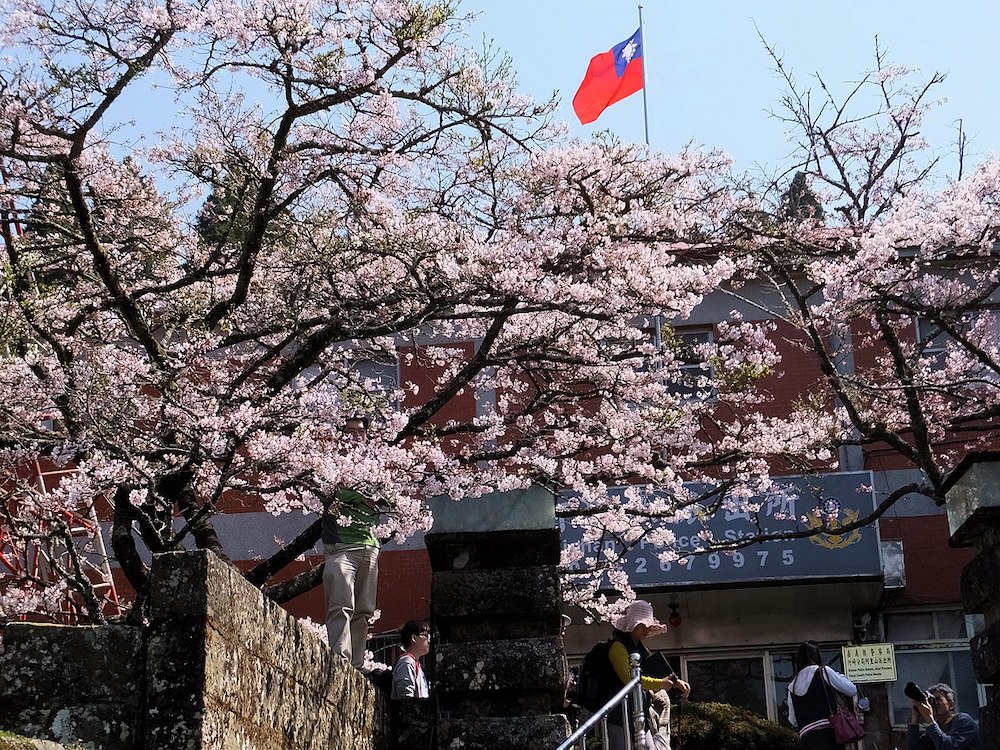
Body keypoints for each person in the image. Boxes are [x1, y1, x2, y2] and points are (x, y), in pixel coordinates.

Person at [321, 416, 381, 670]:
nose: (354, 436)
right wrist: (359, 496)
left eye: (359, 431)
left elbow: (382, 499)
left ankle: (357, 664)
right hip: (341, 546)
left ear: (367, 434)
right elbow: (330, 493)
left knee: (364, 610)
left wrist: (362, 498)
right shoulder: (331, 463)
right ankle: (341, 660)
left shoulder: (377, 464)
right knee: (341, 604)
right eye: (348, 431)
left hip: (369, 544)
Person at [604, 600, 691, 750]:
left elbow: (656, 671)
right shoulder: (617, 646)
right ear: (630, 623)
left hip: (640, 713)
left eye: (647, 626)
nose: (645, 630)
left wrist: (675, 682)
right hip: (620, 714)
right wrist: (660, 683)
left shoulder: (640, 649)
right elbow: (628, 678)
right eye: (641, 625)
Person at [787, 640, 858, 750]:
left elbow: (793, 720)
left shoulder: (792, 685)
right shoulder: (823, 671)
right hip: (829, 737)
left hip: (808, 740)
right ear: (817, 655)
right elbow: (852, 690)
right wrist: (840, 676)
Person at [906, 682, 981, 750]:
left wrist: (929, 718)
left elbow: (948, 747)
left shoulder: (963, 720)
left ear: (951, 705)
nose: (935, 703)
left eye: (938, 699)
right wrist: (915, 718)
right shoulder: (937, 728)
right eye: (931, 700)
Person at [391, 620, 431, 699]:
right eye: (426, 636)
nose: (429, 640)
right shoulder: (406, 662)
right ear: (414, 638)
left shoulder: (416, 664)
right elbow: (405, 697)